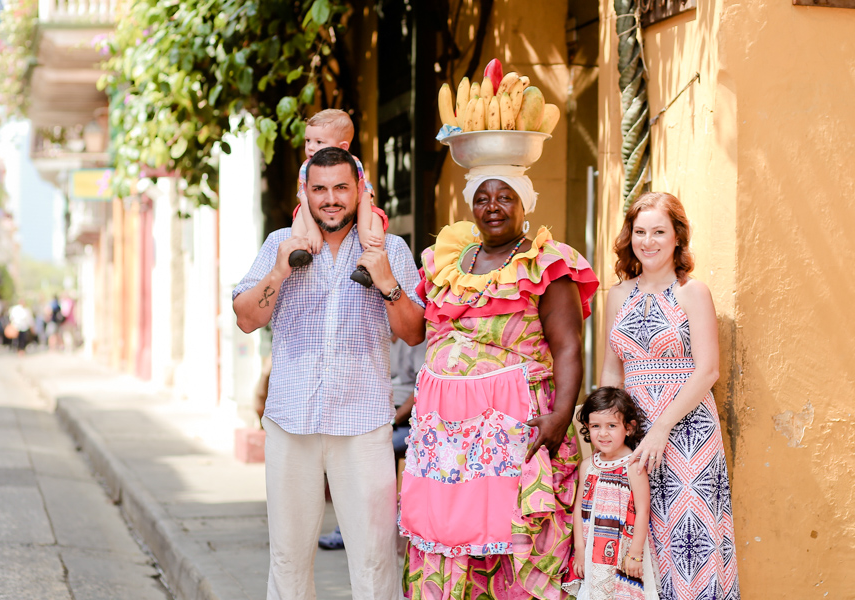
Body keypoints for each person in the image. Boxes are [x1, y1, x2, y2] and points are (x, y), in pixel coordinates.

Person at [232, 146, 425, 600]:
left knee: (375, 558)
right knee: (288, 558)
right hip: (290, 422)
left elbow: (415, 332)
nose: (331, 198)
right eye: (320, 189)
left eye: (341, 187)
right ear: (306, 193)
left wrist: (387, 283)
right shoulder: (281, 243)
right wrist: (279, 271)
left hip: (362, 425)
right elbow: (245, 318)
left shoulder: (389, 248)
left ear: (360, 191)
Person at [398, 166, 599, 599]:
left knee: (513, 541)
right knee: (448, 542)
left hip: (517, 433)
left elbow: (567, 346)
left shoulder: (546, 264)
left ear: (525, 204)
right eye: (483, 197)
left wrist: (562, 415)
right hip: (447, 445)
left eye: (505, 196)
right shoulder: (450, 262)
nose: (493, 206)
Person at [600, 192, 740, 600]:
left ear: (677, 236)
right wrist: (611, 432)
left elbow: (708, 370)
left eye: (659, 231)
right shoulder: (618, 295)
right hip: (635, 432)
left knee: (688, 541)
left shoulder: (692, 292)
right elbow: (613, 369)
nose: (648, 241)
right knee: (642, 539)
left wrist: (662, 427)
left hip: (687, 434)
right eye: (640, 232)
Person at [318, 336, 425, 551]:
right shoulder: (375, 336)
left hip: (405, 420)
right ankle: (348, 528)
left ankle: (374, 531)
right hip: (374, 414)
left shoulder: (414, 339)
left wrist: (392, 419)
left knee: (371, 452)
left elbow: (420, 390)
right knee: (342, 451)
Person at [564, 387, 659, 600]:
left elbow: (643, 510)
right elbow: (579, 507)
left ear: (628, 428)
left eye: (612, 426)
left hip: (623, 550)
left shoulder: (633, 465)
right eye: (596, 426)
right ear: (587, 426)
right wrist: (579, 547)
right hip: (591, 549)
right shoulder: (588, 465)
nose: (603, 433)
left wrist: (635, 554)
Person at [289, 109, 387, 287]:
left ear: (342, 147)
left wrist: (364, 230)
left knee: (376, 218)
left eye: (318, 142)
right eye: (308, 140)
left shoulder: (353, 164)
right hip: (314, 212)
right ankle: (297, 250)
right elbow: (305, 199)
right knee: (300, 218)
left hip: (356, 208)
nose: (310, 147)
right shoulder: (307, 167)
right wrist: (312, 231)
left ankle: (370, 265)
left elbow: (364, 196)